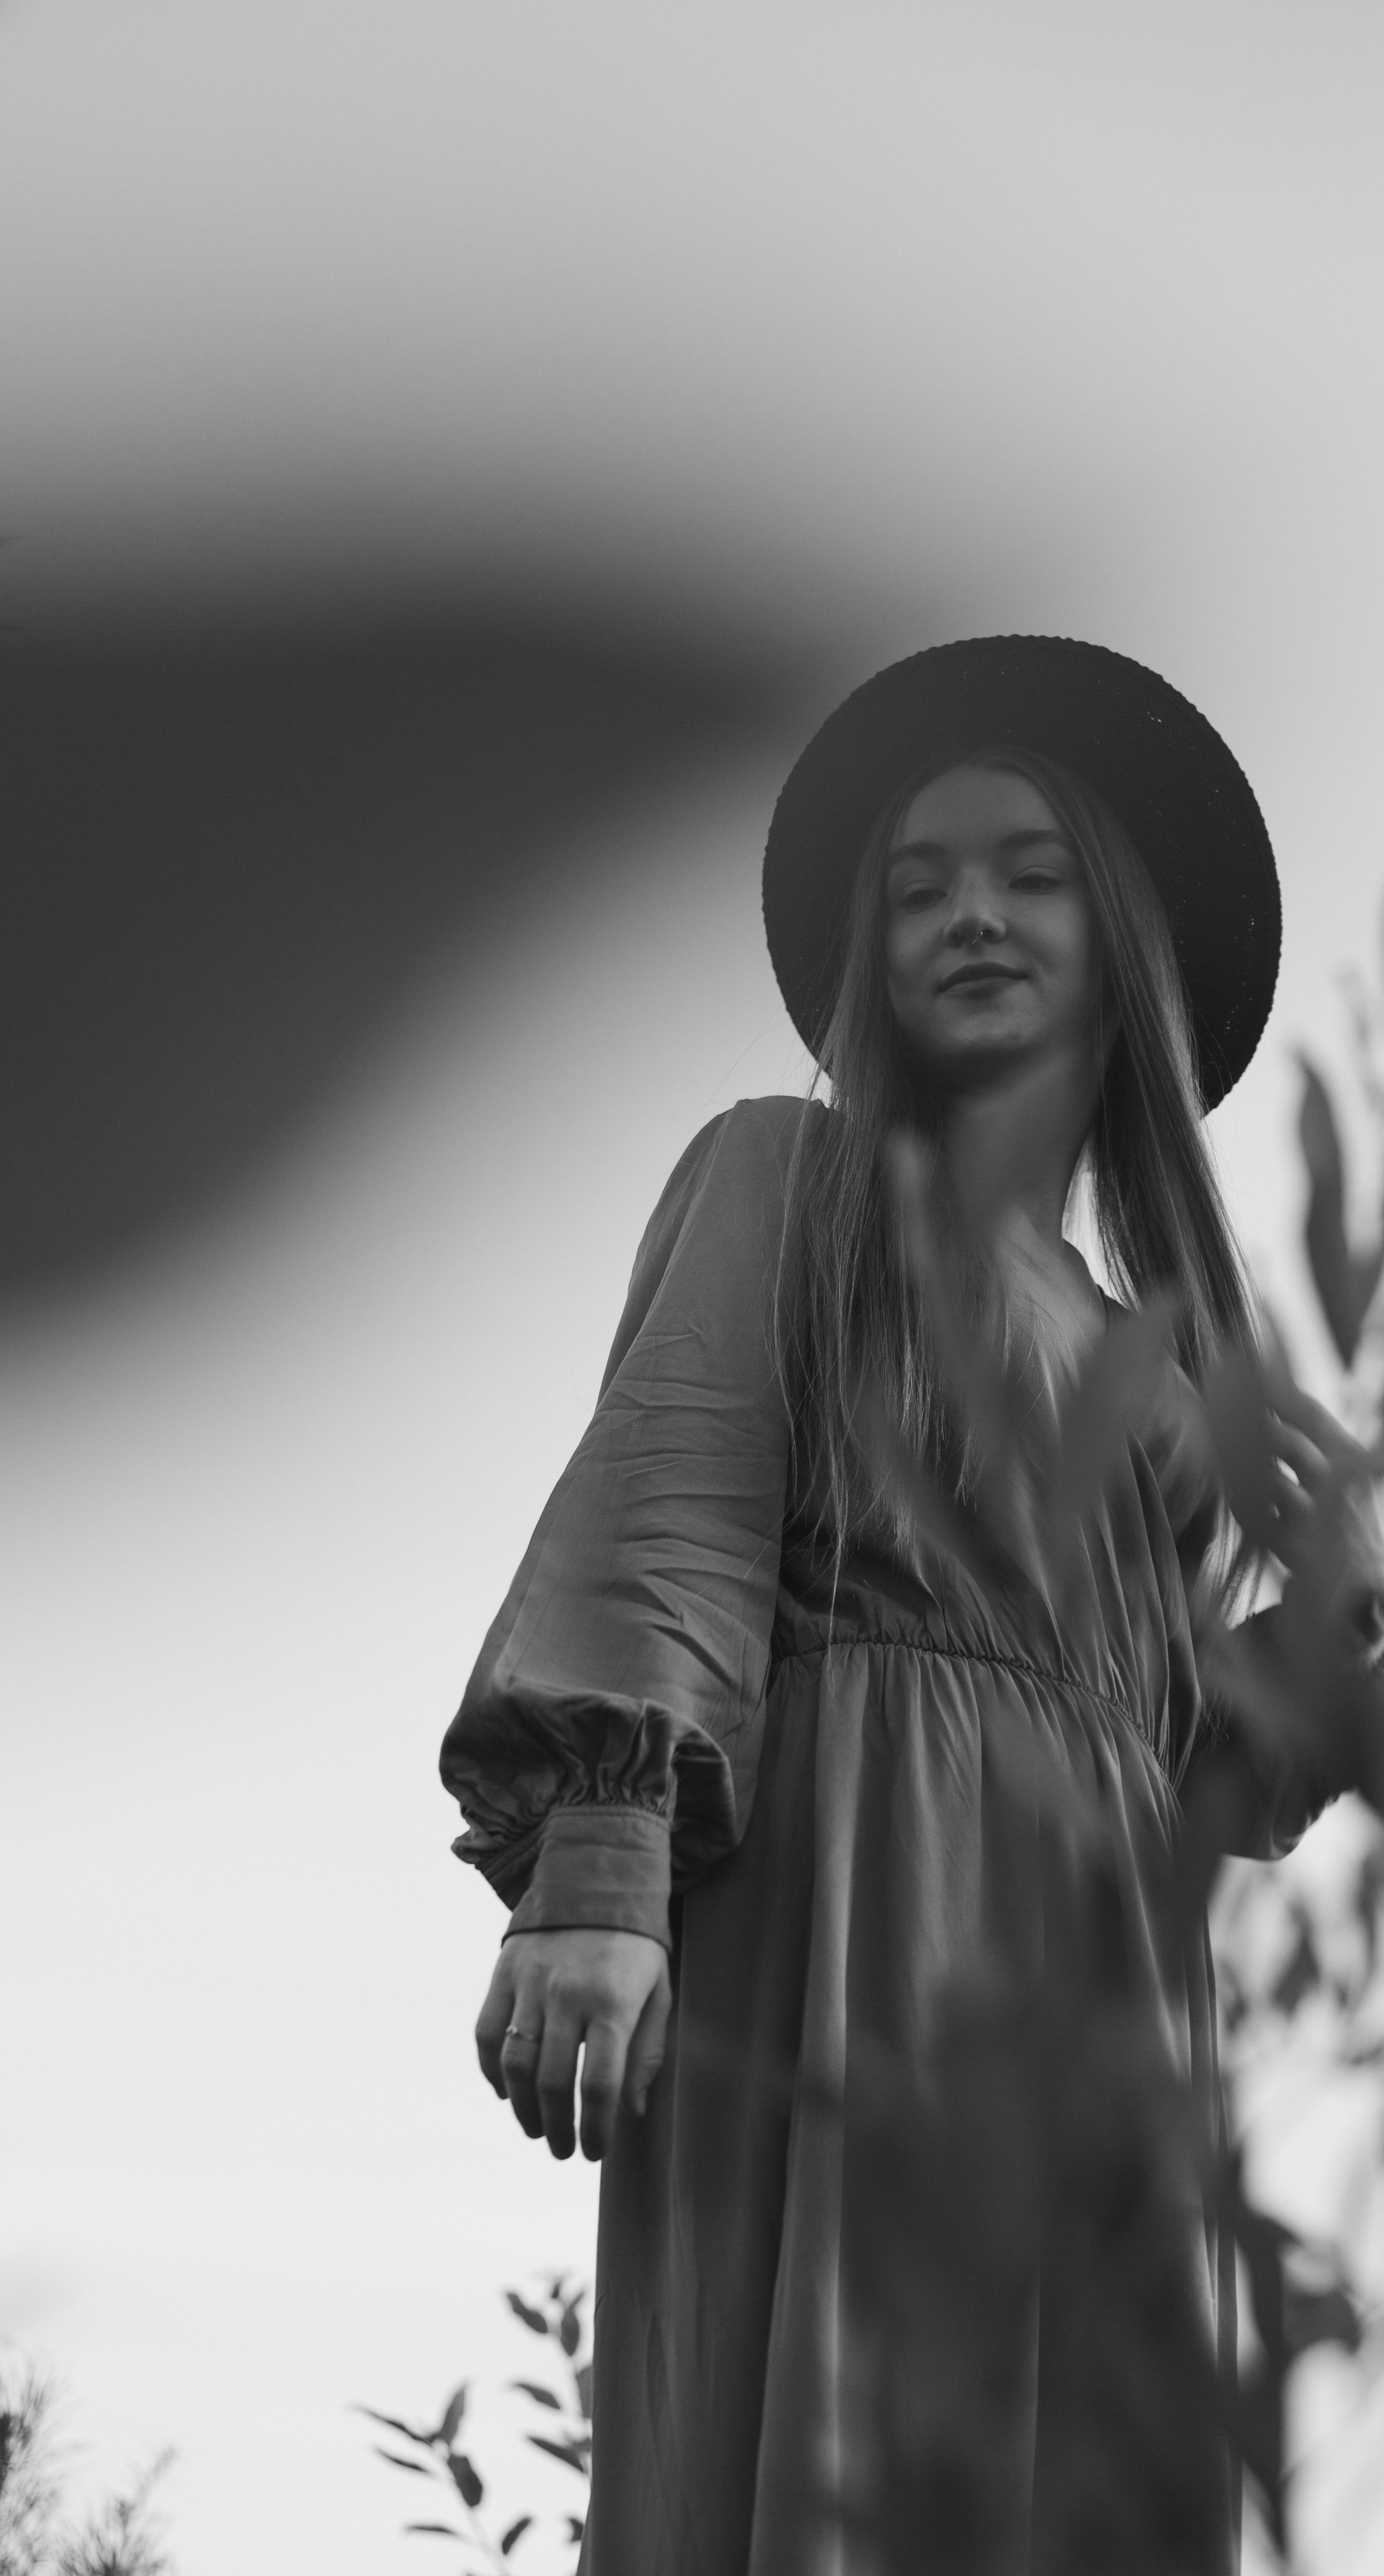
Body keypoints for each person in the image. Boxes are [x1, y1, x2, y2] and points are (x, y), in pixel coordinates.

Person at [438, 637, 1375, 2575]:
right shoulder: (791, 1174)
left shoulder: (1163, 1375)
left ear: (1117, 941)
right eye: (922, 881)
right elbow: (672, 1497)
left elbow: (1214, 1750)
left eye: (1031, 872)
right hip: (847, 1892)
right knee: (827, 2445)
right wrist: (600, 1868)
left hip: (1103, 1976)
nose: (971, 912)